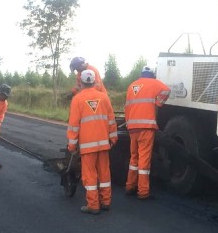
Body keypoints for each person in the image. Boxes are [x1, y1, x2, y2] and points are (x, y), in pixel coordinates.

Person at [67, 69, 117, 214]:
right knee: (104, 173)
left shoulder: (77, 99)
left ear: (81, 83)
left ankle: (93, 205)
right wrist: (113, 138)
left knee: (89, 175)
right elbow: (111, 120)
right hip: (103, 144)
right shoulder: (104, 97)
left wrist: (72, 145)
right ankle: (106, 201)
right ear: (95, 81)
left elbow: (74, 125)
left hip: (87, 146)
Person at [124, 66, 170, 200]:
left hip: (132, 127)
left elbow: (127, 107)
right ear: (152, 75)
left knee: (134, 158)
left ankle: (130, 186)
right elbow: (167, 90)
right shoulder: (154, 83)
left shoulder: (132, 86)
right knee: (144, 159)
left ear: (141, 74)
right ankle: (143, 191)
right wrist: (159, 102)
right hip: (146, 127)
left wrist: (128, 123)